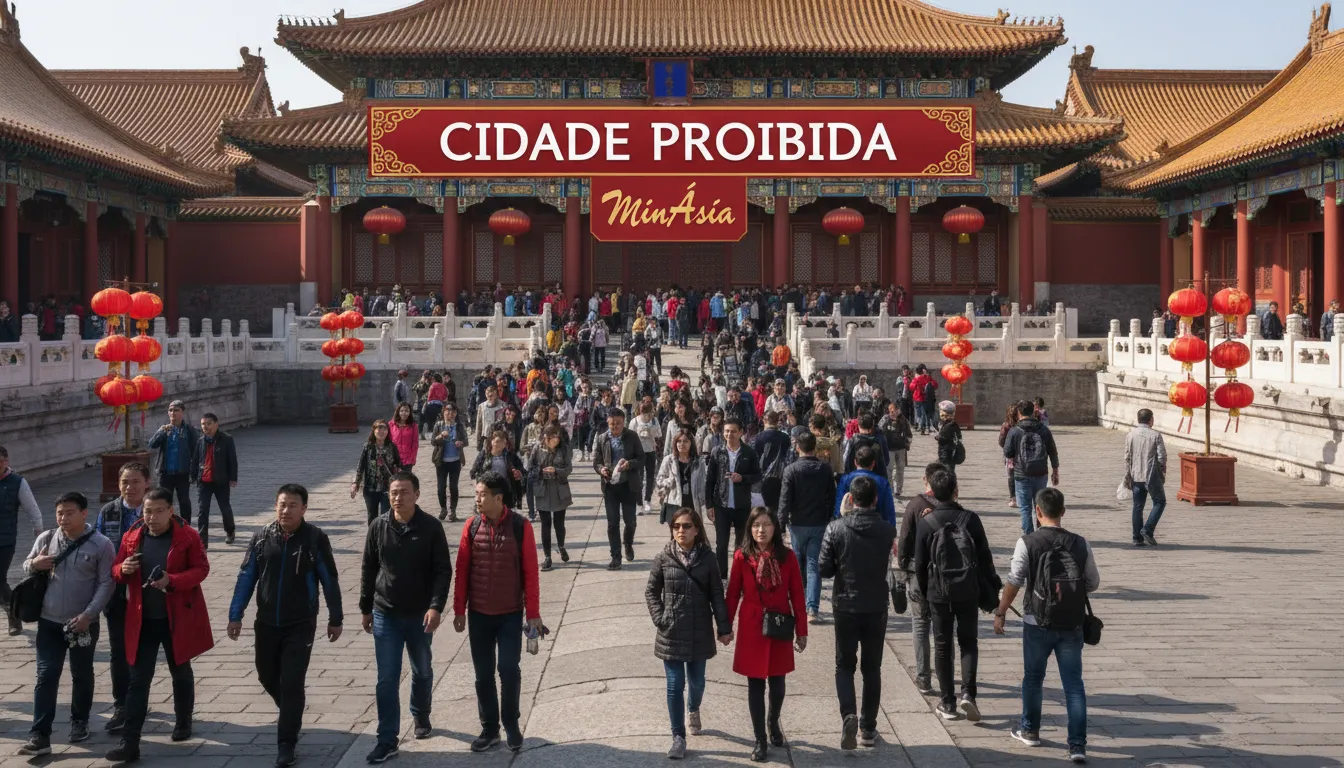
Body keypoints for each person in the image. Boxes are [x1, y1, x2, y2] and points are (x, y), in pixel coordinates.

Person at [226, 484, 343, 768]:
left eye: (292, 505)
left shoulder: (315, 539)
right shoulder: (261, 537)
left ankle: (286, 743)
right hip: (266, 623)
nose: (286, 509)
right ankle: (293, 711)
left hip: (300, 623)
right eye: (281, 504)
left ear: (304, 508)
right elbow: (246, 577)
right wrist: (235, 614)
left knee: (292, 682)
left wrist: (335, 617)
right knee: (266, 676)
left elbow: (329, 580)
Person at [106, 488, 213, 764]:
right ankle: (130, 742)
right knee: (138, 681)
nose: (151, 517)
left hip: (176, 617)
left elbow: (201, 569)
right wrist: (124, 569)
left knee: (181, 670)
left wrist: (172, 580)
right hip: (142, 620)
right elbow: (115, 569)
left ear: (171, 511)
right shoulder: (133, 536)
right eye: (147, 511)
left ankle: (183, 720)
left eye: (158, 511)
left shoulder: (186, 536)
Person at [994, 487, 1099, 765]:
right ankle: (1077, 745)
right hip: (1072, 623)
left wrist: (1001, 612)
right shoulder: (1080, 543)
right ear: (1063, 512)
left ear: (1037, 512)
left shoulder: (1028, 542)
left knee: (1033, 678)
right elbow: (1093, 583)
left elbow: (1015, 581)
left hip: (1036, 621)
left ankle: (1030, 729)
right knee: (1074, 685)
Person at [360, 471, 452, 764]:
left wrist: (436, 606)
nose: (398, 498)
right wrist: (365, 607)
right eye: (394, 493)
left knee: (422, 670)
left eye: (404, 492)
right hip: (385, 611)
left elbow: (442, 570)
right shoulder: (378, 526)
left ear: (417, 494)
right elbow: (368, 568)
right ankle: (387, 739)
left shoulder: (430, 527)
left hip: (419, 614)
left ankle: (420, 713)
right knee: (386, 679)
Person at [15, 492, 115, 756]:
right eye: (60, 513)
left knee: (81, 673)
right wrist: (34, 563)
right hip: (49, 621)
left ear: (84, 513)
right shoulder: (47, 538)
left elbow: (107, 583)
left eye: (69, 512)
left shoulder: (101, 545)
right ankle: (40, 734)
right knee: (46, 675)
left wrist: (89, 615)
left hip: (82, 622)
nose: (63, 518)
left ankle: (79, 720)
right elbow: (26, 565)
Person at [452, 471, 542, 753]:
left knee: (508, 669)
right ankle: (489, 728)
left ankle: (511, 723)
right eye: (476, 494)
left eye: (482, 494)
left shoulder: (520, 526)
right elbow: (462, 570)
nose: (477, 499)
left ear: (498, 498)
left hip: (509, 614)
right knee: (482, 674)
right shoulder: (470, 526)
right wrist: (459, 609)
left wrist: (533, 613)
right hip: (479, 613)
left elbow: (530, 571)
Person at [818, 476, 897, 751]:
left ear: (850, 499)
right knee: (872, 668)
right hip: (876, 605)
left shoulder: (836, 528)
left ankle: (849, 715)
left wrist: (842, 518)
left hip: (845, 605)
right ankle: (868, 728)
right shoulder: (887, 530)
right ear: (875, 500)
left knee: (844, 665)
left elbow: (824, 569)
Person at [645, 507, 731, 760]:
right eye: (676, 527)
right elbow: (651, 591)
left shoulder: (708, 558)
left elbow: (717, 593)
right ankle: (678, 736)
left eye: (686, 526)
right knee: (674, 685)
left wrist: (724, 627)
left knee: (697, 682)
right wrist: (660, 618)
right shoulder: (663, 557)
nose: (681, 531)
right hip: (670, 631)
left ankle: (693, 708)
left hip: (699, 630)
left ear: (697, 529)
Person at [913, 469, 997, 723]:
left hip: (938, 592)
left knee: (942, 645)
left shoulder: (927, 523)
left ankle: (947, 701)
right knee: (968, 642)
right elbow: (985, 559)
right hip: (967, 589)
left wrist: (927, 594)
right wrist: (991, 589)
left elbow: (919, 565)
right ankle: (969, 694)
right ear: (956, 490)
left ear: (933, 493)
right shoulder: (971, 520)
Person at [726, 508, 807, 762]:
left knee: (778, 682)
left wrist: (801, 631)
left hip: (780, 623)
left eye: (767, 524)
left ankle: (773, 720)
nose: (761, 530)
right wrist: (725, 627)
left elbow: (798, 595)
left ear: (775, 528)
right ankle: (760, 739)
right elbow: (732, 594)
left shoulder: (788, 557)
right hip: (752, 626)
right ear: (750, 528)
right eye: (756, 525)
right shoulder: (741, 557)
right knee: (755, 684)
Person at [94, 461, 150, 728]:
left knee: (145, 649)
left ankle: (140, 700)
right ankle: (121, 705)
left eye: (136, 481)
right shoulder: (109, 512)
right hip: (116, 591)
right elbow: (97, 548)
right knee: (119, 650)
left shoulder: (155, 510)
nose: (130, 487)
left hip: (149, 592)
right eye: (125, 482)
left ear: (146, 483)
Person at [897, 463, 945, 695]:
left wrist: (903, 566)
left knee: (920, 624)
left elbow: (905, 537)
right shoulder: (952, 507)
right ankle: (945, 674)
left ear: (926, 480)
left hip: (918, 571)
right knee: (943, 626)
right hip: (944, 576)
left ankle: (924, 677)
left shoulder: (915, 504)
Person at [778, 430, 836, 621]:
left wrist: (781, 523)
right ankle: (812, 608)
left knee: (796, 565)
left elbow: (785, 500)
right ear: (815, 447)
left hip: (797, 524)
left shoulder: (791, 470)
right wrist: (828, 517)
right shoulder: (825, 469)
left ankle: (797, 604)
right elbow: (832, 496)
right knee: (813, 566)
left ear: (797, 448)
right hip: (818, 522)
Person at [704, 418, 762, 577]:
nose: (729, 434)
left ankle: (740, 576)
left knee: (742, 544)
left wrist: (742, 478)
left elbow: (757, 475)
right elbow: (709, 481)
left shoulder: (748, 452)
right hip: (721, 505)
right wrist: (709, 505)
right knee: (721, 544)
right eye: (727, 431)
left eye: (733, 431)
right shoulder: (717, 451)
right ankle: (721, 577)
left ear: (741, 432)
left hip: (742, 506)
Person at [593, 407, 646, 570]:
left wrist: (630, 464)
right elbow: (596, 462)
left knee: (630, 521)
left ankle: (628, 543)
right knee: (612, 523)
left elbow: (642, 458)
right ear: (607, 423)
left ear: (624, 423)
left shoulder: (632, 436)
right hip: (610, 487)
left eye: (618, 424)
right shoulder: (602, 439)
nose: (615, 427)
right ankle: (616, 556)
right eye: (612, 424)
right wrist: (601, 469)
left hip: (629, 485)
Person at [0, 445, 43, 635]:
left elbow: (32, 509)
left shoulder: (17, 482)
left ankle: (14, 614)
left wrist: (39, 533)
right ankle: (12, 611)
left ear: (6, 462)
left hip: (5, 539)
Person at [1002, 400, 1060, 537]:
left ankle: (1029, 536)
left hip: (1021, 473)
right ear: (1033, 412)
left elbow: (1007, 452)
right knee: (1039, 505)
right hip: (1041, 472)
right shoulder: (1043, 429)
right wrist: (1055, 471)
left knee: (1025, 508)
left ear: (1019, 412)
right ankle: (1041, 533)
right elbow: (1052, 451)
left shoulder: (1014, 431)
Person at [147, 400, 200, 525]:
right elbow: (152, 444)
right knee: (164, 500)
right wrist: (161, 432)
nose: (173, 413)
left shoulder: (189, 430)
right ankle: (166, 523)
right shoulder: (165, 429)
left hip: (182, 472)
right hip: (165, 473)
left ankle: (186, 524)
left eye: (176, 410)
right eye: (170, 410)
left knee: (184, 501)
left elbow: (197, 450)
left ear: (182, 412)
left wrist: (195, 469)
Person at [191, 413, 238, 549]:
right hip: (204, 481)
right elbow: (195, 460)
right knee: (202, 510)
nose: (206, 427)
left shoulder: (226, 439)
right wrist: (193, 476)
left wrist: (233, 478)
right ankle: (202, 541)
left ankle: (230, 531)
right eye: (203, 424)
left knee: (225, 508)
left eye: (208, 424)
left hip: (221, 480)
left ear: (216, 424)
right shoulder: (200, 441)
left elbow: (232, 460)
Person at [529, 425, 573, 570]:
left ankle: (561, 545)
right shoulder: (537, 449)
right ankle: (547, 556)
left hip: (559, 489)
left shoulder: (564, 449)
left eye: (557, 436)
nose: (556, 439)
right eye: (553, 436)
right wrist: (541, 472)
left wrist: (556, 471)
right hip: (543, 489)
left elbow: (568, 469)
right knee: (545, 523)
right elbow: (531, 467)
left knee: (559, 523)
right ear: (546, 438)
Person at [1125, 408, 1168, 547]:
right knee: (1160, 501)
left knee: (1137, 506)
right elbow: (1162, 457)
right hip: (1152, 476)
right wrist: (1162, 471)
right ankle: (1148, 529)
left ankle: (1137, 538)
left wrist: (1128, 475)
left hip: (1136, 474)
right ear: (1150, 419)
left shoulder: (1130, 435)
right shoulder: (1155, 435)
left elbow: (1127, 457)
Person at [351, 420, 402, 524]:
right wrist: (355, 483)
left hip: (387, 487)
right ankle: (373, 538)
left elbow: (398, 464)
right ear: (373, 431)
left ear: (388, 431)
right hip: (370, 488)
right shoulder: (368, 447)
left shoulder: (392, 447)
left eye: (384, 428)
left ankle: (384, 539)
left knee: (386, 517)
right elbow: (361, 466)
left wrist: (398, 472)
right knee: (372, 517)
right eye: (378, 428)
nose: (381, 431)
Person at [834, 446, 897, 526]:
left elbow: (839, 506)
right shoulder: (882, 482)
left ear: (855, 462)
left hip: (849, 527)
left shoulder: (846, 480)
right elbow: (889, 512)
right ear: (873, 463)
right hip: (876, 528)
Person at [430, 402, 469, 521]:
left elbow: (466, 441)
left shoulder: (459, 426)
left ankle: (453, 510)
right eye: (447, 411)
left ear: (456, 413)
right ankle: (443, 508)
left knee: (453, 487)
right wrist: (440, 436)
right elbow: (433, 441)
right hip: (441, 461)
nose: (450, 414)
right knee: (441, 487)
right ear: (444, 412)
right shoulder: (439, 425)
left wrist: (461, 443)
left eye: (452, 411)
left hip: (455, 461)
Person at [656, 431, 704, 524]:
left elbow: (703, 482)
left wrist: (702, 499)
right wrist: (670, 480)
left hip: (692, 502)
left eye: (685, 441)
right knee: (675, 534)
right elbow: (659, 480)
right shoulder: (669, 460)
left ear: (691, 443)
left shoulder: (698, 462)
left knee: (691, 532)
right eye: (679, 441)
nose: (682, 444)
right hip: (674, 502)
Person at [753, 410, 791, 515]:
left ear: (764, 420)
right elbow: (789, 456)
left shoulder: (758, 437)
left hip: (763, 477)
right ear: (777, 421)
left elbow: (755, 458)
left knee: (764, 509)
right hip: (781, 477)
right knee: (778, 508)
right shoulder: (785, 437)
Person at [630, 401, 663, 515]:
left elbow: (659, 434)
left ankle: (647, 500)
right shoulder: (635, 421)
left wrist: (652, 431)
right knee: (638, 477)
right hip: (638, 452)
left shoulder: (654, 420)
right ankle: (638, 502)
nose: (646, 415)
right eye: (644, 412)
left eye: (648, 412)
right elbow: (630, 436)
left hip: (650, 451)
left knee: (650, 476)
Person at [878, 401, 912, 498]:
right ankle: (890, 488)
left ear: (898, 410)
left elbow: (909, 434)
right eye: (891, 411)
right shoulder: (885, 419)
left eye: (895, 410)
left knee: (900, 469)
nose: (893, 413)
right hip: (889, 447)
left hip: (901, 448)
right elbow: (879, 429)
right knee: (889, 469)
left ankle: (898, 489)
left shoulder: (903, 420)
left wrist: (907, 444)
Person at [934, 401, 964, 477]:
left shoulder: (949, 426)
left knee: (947, 473)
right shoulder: (951, 424)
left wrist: (938, 437)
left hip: (947, 454)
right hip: (948, 454)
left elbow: (943, 438)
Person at [389, 402, 420, 472]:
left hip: (407, 460)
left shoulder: (413, 426)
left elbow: (415, 444)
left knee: (406, 481)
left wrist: (412, 459)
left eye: (406, 411)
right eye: (402, 411)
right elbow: (388, 442)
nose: (404, 413)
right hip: (394, 460)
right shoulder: (391, 425)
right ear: (398, 411)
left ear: (410, 413)